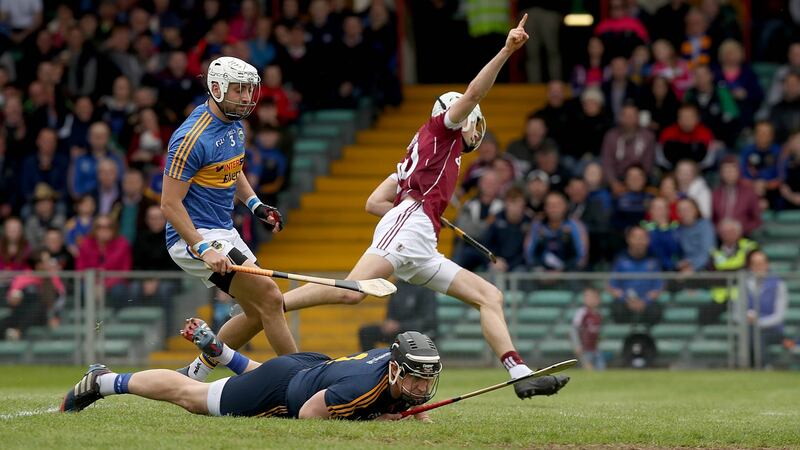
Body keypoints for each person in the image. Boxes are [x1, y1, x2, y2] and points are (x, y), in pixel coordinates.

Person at [180, 17, 568, 399]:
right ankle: (273, 305)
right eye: (472, 121)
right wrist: (506, 50)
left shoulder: (431, 151)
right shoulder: (443, 128)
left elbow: (374, 203)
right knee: (352, 292)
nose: (473, 128)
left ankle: (519, 372)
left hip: (419, 235)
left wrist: (425, 210)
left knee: (489, 296)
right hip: (410, 227)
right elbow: (473, 93)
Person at [161, 56, 298, 380]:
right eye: (239, 91)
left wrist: (255, 205)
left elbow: (232, 169)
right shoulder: (191, 138)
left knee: (256, 312)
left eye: (250, 91)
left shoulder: (235, 124)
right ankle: (303, 378)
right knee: (270, 297)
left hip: (224, 230)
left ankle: (193, 374)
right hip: (193, 236)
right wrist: (204, 249)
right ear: (217, 88)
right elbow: (169, 205)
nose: (248, 98)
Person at [63, 324, 440, 421]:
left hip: (306, 367)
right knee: (191, 397)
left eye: (426, 379)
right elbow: (311, 414)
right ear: (394, 370)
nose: (421, 387)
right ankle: (104, 380)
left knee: (270, 377)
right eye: (415, 378)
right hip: (285, 390)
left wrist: (411, 412)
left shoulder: (388, 361)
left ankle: (222, 352)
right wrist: (377, 423)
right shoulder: (362, 389)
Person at [699, 219, 758, 325]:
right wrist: (734, 272)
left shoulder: (749, 247)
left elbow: (748, 269)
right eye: (724, 232)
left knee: (741, 318)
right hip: (720, 297)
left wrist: (723, 273)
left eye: (731, 231)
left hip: (742, 294)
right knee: (703, 314)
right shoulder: (715, 251)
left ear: (739, 232)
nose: (728, 235)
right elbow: (710, 273)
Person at [358, 281, 437, 351]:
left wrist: (400, 326)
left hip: (417, 331)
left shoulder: (426, 288)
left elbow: (428, 320)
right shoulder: (398, 285)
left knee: (399, 338)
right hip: (395, 331)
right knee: (366, 333)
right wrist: (389, 322)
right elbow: (390, 311)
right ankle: (370, 361)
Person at [608, 226, 664, 326]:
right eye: (636, 237)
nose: (639, 241)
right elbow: (613, 286)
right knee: (617, 309)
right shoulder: (620, 261)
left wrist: (645, 301)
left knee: (655, 311)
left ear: (648, 240)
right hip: (625, 303)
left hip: (647, 304)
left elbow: (658, 287)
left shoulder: (654, 261)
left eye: (642, 238)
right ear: (629, 239)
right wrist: (627, 300)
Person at [744, 251, 788, 368]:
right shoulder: (744, 283)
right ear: (750, 266)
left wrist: (758, 322)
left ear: (767, 264)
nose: (758, 267)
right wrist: (747, 316)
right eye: (755, 264)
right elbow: (737, 311)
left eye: (761, 263)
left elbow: (779, 316)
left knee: (758, 335)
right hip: (749, 327)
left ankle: (762, 365)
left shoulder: (778, 284)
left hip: (773, 329)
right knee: (750, 333)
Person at [570, 287, 605, 370]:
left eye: (591, 297)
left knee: (601, 369)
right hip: (584, 349)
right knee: (588, 369)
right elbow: (574, 330)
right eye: (586, 297)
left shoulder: (598, 314)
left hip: (595, 348)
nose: (588, 299)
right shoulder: (582, 312)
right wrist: (577, 345)